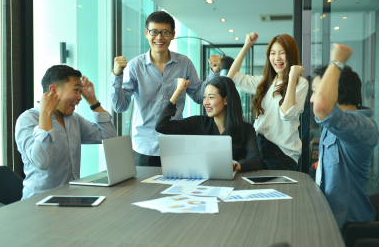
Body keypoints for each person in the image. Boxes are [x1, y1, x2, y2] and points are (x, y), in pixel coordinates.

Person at [111, 11, 220, 167]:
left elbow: (198, 96)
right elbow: (119, 107)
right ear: (146, 34)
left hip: (175, 144)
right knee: (145, 192)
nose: (159, 37)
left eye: (165, 32)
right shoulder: (135, 66)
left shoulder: (184, 63)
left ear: (173, 34)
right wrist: (116, 74)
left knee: (176, 189)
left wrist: (214, 72)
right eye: (154, 32)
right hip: (144, 146)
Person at [15, 65, 117, 199]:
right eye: (76, 90)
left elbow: (109, 137)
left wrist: (92, 101)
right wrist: (46, 113)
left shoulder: (72, 118)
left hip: (71, 198)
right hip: (38, 203)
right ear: (53, 90)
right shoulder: (28, 119)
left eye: (80, 91)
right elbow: (42, 162)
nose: (80, 97)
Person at [310, 43, 378, 228]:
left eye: (315, 92)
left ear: (335, 91)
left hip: (348, 225)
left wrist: (337, 61)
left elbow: (322, 107)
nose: (312, 99)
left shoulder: (362, 126)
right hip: (327, 216)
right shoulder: (337, 123)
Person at [227, 33, 308, 170]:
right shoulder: (265, 82)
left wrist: (293, 76)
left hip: (282, 154)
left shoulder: (300, 83)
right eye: (273, 53)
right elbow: (232, 77)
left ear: (291, 54)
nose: (277, 58)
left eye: (282, 53)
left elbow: (286, 114)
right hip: (259, 148)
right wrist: (247, 46)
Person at [155, 76, 263, 172]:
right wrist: (178, 91)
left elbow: (256, 160)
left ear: (225, 100)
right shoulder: (198, 123)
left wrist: (234, 166)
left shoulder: (246, 129)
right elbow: (162, 126)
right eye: (204, 97)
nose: (206, 102)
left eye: (211, 97)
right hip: (202, 184)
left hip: (234, 183)